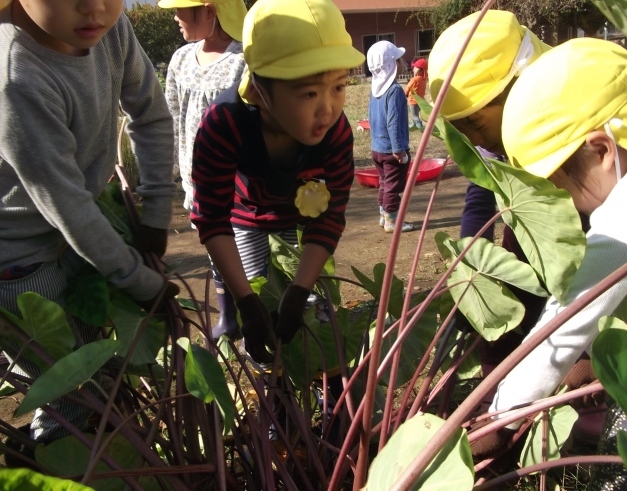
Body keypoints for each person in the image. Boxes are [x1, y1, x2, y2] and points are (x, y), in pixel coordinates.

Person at [0, 0, 178, 450]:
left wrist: (155, 211)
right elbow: (67, 205)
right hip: (19, 262)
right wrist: (141, 282)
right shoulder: (16, 74)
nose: (93, 7)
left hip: (79, 230)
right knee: (70, 397)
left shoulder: (106, 29)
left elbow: (152, 115)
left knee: (102, 374)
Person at [480, 38, 627, 489]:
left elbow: (564, 324)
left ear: (602, 151)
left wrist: (497, 422)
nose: (567, 206)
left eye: (561, 187)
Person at [190, 0, 364, 363]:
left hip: (301, 221)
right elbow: (212, 219)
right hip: (245, 219)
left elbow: (328, 219)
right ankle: (273, 391)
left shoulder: (335, 132)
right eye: (309, 93)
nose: (328, 109)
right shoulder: (223, 125)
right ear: (258, 90)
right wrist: (246, 302)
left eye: (339, 87)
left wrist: (301, 289)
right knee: (261, 307)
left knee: (314, 312)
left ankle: (321, 389)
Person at [427, 9, 552, 387]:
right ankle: (500, 417)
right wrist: (470, 270)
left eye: (476, 125)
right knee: (501, 334)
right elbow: (480, 195)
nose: (474, 140)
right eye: (461, 129)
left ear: (517, 87)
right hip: (526, 229)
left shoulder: (562, 116)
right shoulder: (489, 134)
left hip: (589, 238)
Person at [158, 0, 247, 340]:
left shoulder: (241, 60)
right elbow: (170, 115)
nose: (176, 16)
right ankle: (227, 315)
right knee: (213, 241)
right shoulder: (181, 59)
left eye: (183, 9)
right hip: (197, 176)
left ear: (210, 12)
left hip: (235, 176)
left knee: (239, 242)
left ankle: (249, 305)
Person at [367, 40, 415, 233]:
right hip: (391, 151)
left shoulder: (375, 90)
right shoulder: (394, 91)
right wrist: (398, 148)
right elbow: (393, 121)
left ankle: (383, 216)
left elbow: (371, 117)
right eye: (399, 59)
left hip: (377, 148)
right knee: (392, 187)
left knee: (384, 183)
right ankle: (392, 221)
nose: (402, 62)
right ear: (391, 65)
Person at [405, 58, 427, 130]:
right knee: (416, 113)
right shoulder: (424, 79)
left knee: (414, 115)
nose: (413, 69)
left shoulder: (414, 79)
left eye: (415, 68)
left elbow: (408, 87)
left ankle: (419, 127)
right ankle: (414, 124)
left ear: (421, 70)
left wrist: (406, 94)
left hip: (412, 101)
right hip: (420, 101)